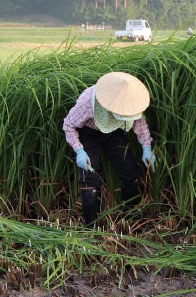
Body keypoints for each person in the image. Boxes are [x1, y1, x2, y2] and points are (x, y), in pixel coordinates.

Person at [61, 71, 155, 226]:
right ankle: (90, 224)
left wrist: (146, 147)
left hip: (115, 132)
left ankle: (130, 216)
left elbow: (139, 121)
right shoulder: (88, 102)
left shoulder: (132, 100)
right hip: (88, 133)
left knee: (130, 169)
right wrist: (79, 150)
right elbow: (68, 125)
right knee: (90, 174)